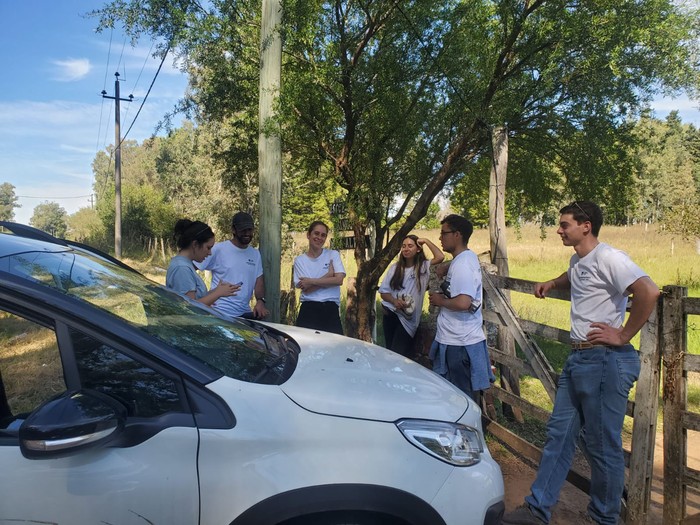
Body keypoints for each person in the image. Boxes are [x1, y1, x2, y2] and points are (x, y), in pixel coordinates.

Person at [501, 201, 660, 525]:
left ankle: (603, 519)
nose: (559, 230)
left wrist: (624, 334)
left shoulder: (610, 257)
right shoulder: (580, 259)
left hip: (604, 360)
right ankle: (536, 510)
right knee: (559, 435)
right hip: (579, 360)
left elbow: (648, 291)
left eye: (564, 224)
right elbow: (574, 274)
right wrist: (553, 283)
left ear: (586, 225)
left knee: (603, 447)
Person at [428, 214, 493, 402]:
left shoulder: (463, 264)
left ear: (457, 235)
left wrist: (440, 301)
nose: (440, 238)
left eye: (444, 233)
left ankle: (468, 431)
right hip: (455, 340)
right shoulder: (462, 260)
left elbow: (464, 302)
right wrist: (447, 266)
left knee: (461, 400)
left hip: (460, 343)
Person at [379, 235, 444, 357]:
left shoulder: (423, 267)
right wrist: (394, 301)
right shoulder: (395, 268)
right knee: (389, 353)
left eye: (410, 246)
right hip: (391, 313)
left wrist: (426, 240)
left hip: (408, 319)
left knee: (399, 354)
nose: (406, 249)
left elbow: (440, 257)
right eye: (403, 246)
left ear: (418, 249)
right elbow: (384, 293)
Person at [196, 212, 269, 319]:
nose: (247, 233)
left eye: (250, 230)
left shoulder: (255, 254)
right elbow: (192, 268)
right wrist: (204, 296)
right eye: (243, 230)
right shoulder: (218, 249)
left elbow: (259, 280)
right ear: (233, 230)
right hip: (219, 312)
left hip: (244, 313)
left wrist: (260, 301)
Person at [166, 219, 240, 306]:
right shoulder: (182, 268)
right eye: (208, 248)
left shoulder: (185, 264)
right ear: (195, 244)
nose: (210, 253)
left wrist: (217, 291)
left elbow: (197, 298)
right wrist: (218, 293)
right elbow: (190, 307)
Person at [293, 221, 346, 335]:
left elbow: (339, 280)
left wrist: (311, 281)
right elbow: (306, 290)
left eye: (323, 235)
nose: (319, 238)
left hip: (330, 309)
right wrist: (328, 275)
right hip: (309, 310)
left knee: (335, 348)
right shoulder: (300, 261)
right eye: (316, 233)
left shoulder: (333, 254)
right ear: (308, 235)